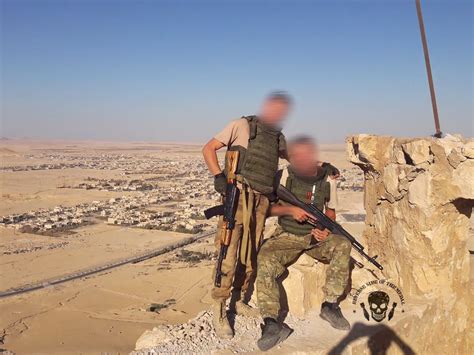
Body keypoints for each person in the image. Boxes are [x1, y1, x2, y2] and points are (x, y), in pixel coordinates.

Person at [202, 92, 291, 339]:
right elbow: (209, 148)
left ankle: (238, 300)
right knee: (228, 253)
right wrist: (219, 177)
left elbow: (293, 160)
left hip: (261, 202)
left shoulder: (277, 138)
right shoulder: (243, 125)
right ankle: (219, 308)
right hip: (238, 197)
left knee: (251, 254)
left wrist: (323, 168)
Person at [255, 135, 351, 351]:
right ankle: (272, 324)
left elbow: (331, 213)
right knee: (265, 258)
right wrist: (290, 210)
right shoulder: (283, 176)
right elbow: (266, 209)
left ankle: (330, 305)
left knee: (343, 245)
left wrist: (325, 230)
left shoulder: (327, 177)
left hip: (314, 239)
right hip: (287, 235)